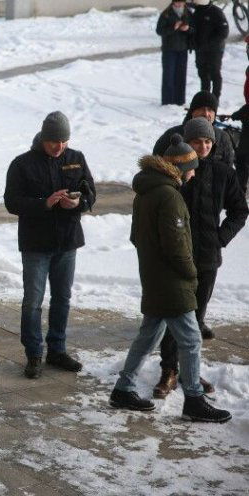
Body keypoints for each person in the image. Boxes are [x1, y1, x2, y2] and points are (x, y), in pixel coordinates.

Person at [109, 137, 231, 424]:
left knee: (149, 335)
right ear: (180, 168)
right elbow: (176, 246)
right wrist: (191, 273)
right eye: (191, 168)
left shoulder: (146, 193)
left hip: (154, 278)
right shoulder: (169, 196)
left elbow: (136, 238)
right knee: (190, 340)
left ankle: (123, 388)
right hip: (171, 283)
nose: (193, 173)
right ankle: (194, 400)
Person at [151, 119, 247, 401]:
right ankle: (169, 369)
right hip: (176, 256)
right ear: (188, 143)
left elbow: (239, 210)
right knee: (175, 315)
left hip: (207, 257)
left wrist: (220, 238)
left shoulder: (223, 173)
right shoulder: (175, 172)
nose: (203, 147)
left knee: (196, 318)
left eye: (207, 142)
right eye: (197, 142)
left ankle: (190, 371)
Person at [3, 111, 96, 379]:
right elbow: (12, 202)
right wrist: (45, 203)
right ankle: (34, 353)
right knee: (33, 300)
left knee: (62, 298)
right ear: (44, 138)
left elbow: (90, 192)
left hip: (67, 241)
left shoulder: (76, 159)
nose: (60, 147)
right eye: (55, 141)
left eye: (64, 141)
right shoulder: (22, 164)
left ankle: (57, 349)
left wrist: (79, 203)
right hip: (36, 244)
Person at [153, 91, 235, 167]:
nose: (206, 114)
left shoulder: (223, 138)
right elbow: (156, 164)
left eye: (210, 110)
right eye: (201, 109)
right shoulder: (172, 135)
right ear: (192, 111)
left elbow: (229, 170)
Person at [156, 1, 192, 106]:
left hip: (182, 49)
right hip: (169, 49)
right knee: (169, 75)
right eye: (177, 3)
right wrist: (173, 28)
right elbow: (159, 30)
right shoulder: (166, 13)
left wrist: (188, 29)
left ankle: (180, 100)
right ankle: (167, 101)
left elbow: (194, 29)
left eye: (181, 3)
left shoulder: (187, 12)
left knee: (181, 75)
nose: (179, 6)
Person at [191, 0, 228, 99]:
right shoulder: (196, 12)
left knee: (214, 73)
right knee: (203, 74)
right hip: (200, 50)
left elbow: (224, 32)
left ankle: (215, 99)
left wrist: (210, 43)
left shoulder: (216, 12)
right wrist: (193, 43)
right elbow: (193, 30)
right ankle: (204, 98)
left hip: (214, 50)